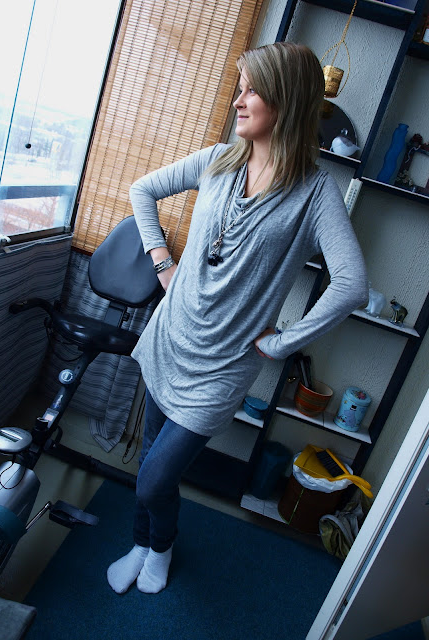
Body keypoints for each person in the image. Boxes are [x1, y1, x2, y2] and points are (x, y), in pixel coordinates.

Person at [107, 42, 368, 595]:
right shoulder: (217, 159)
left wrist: (283, 342)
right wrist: (163, 263)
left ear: (286, 99)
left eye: (252, 91)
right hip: (171, 338)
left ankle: (162, 545)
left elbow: (351, 285)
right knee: (149, 462)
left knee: (155, 479)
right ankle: (140, 543)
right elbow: (142, 189)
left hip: (222, 367)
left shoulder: (316, 193)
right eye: (240, 89)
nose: (237, 101)